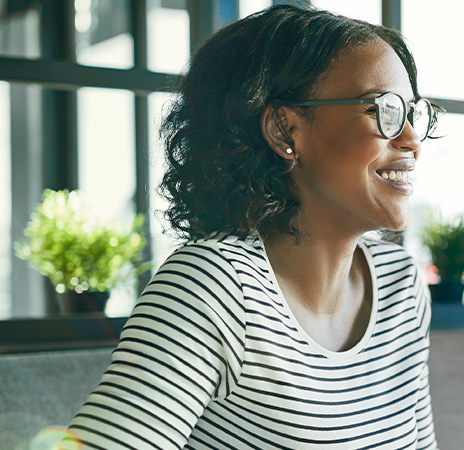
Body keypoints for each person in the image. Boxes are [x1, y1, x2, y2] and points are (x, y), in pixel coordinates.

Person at [61, 5, 442, 449]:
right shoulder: (213, 287)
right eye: (384, 110)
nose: (412, 139)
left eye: (414, 112)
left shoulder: (400, 286)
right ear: (285, 129)